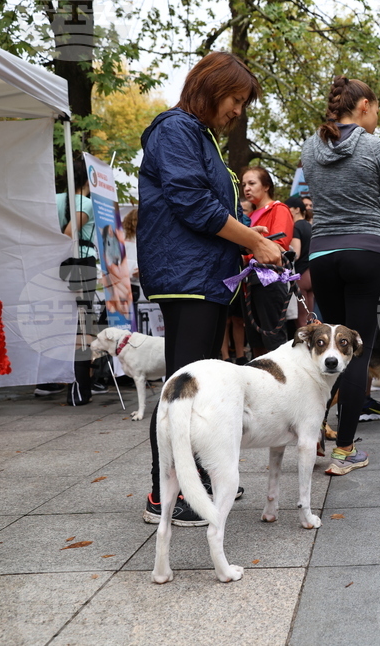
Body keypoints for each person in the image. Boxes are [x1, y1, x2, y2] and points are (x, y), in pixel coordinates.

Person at [138, 51, 282, 525]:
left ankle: (186, 484)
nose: (238, 111)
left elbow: (215, 207)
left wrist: (257, 243)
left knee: (189, 388)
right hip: (187, 277)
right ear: (211, 87)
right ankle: (170, 495)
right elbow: (195, 205)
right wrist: (255, 240)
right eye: (236, 99)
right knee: (185, 391)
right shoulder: (175, 129)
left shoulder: (196, 136)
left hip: (202, 277)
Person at [301, 76, 380, 475]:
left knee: (326, 348)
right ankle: (345, 451)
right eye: (376, 109)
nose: (377, 117)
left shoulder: (311, 146)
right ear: (362, 106)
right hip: (366, 252)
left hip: (323, 254)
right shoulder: (377, 147)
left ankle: (312, 437)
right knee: (354, 348)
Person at [39, 151, 99, 403]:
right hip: (80, 264)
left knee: (57, 320)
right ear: (87, 179)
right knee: (82, 325)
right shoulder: (83, 202)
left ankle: (50, 381)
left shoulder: (54, 199)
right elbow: (67, 233)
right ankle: (79, 388)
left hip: (56, 265)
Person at [241, 166, 293, 355]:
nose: (246, 188)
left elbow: (278, 244)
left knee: (273, 339)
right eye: (244, 184)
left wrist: (245, 256)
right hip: (250, 282)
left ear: (266, 186)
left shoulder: (278, 209)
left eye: (252, 183)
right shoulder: (247, 216)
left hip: (270, 279)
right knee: (255, 340)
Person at [284, 195, 314, 328]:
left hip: (301, 275)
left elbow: (296, 253)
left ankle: (305, 348)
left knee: (302, 320)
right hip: (313, 274)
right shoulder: (310, 226)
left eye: (288, 208)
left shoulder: (296, 227)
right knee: (311, 317)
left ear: (296, 210)